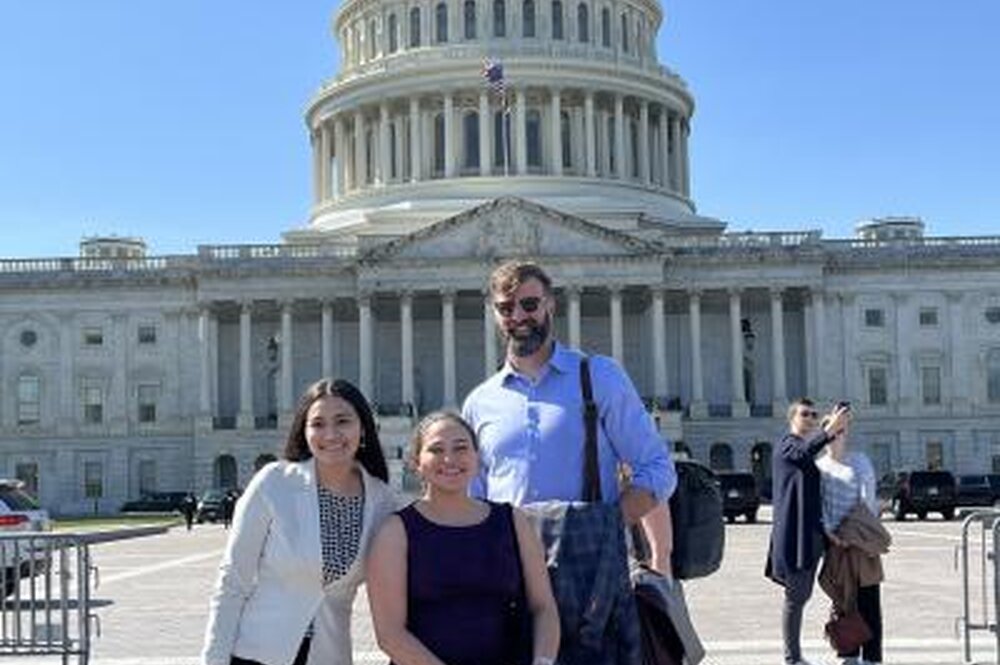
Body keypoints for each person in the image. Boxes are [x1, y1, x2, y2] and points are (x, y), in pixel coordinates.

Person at [461, 259, 677, 554]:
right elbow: (473, 495)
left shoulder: (599, 376)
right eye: (506, 308)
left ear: (550, 304)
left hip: (587, 565)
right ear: (495, 314)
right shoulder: (479, 402)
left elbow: (657, 468)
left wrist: (606, 525)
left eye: (529, 304)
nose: (518, 316)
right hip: (507, 566)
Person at [201, 378, 398, 665]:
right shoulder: (275, 482)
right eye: (317, 424)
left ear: (363, 427)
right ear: (304, 432)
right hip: (256, 654)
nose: (330, 434)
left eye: (342, 421)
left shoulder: (381, 501)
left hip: (329, 656)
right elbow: (232, 582)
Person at [367, 411, 560, 665]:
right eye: (436, 450)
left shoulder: (513, 521)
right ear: (416, 462)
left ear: (477, 458)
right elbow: (390, 635)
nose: (449, 459)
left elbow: (543, 607)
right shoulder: (395, 532)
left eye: (460, 448)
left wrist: (543, 662)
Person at [766, 398, 851, 665]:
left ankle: (844, 648)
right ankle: (792, 657)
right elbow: (802, 453)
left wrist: (833, 430)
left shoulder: (804, 449)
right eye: (805, 414)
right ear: (792, 418)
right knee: (796, 598)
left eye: (814, 415)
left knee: (804, 596)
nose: (810, 418)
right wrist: (828, 432)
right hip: (794, 539)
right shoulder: (786, 445)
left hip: (810, 538)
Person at [817, 411, 888, 665]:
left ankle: (872, 657)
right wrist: (830, 533)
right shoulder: (820, 466)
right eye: (833, 432)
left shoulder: (859, 461)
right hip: (835, 544)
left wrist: (854, 533)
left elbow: (867, 500)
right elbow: (820, 505)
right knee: (843, 600)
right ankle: (848, 653)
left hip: (861, 541)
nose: (838, 436)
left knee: (869, 599)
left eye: (842, 431)